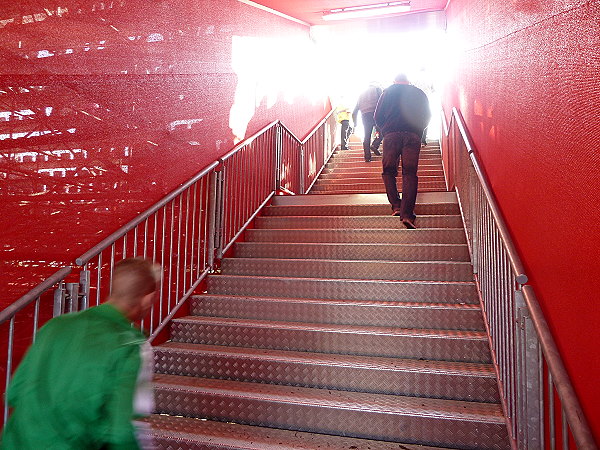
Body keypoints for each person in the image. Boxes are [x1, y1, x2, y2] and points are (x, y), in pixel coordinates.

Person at [0, 258, 161, 450]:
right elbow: (120, 433)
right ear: (146, 298)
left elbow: (14, 392)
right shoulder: (130, 345)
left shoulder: (55, 325)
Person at [374, 73, 431, 229]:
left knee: (388, 171)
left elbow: (377, 116)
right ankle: (407, 214)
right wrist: (418, 131)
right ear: (408, 81)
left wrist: (385, 130)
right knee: (410, 174)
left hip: (391, 136)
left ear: (395, 81)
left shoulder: (388, 92)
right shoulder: (419, 93)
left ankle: (396, 205)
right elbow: (427, 115)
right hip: (413, 136)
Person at [352, 82, 383, 162]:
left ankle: (367, 157)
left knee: (367, 136)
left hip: (365, 115)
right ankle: (375, 145)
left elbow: (354, 111)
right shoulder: (377, 89)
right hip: (376, 113)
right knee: (382, 132)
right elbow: (382, 101)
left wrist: (355, 123)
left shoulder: (361, 95)